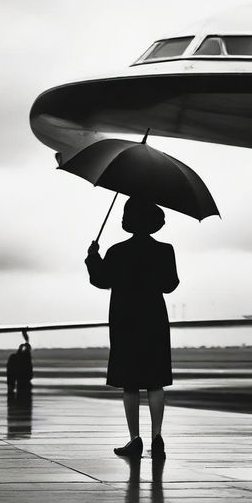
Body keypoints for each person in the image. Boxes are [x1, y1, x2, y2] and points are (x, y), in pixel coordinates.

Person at [85, 197, 179, 459]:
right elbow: (170, 284)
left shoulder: (117, 252)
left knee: (130, 384)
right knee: (155, 382)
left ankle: (134, 439)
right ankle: (157, 437)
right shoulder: (165, 250)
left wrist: (93, 257)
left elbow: (101, 280)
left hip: (125, 321)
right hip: (154, 320)